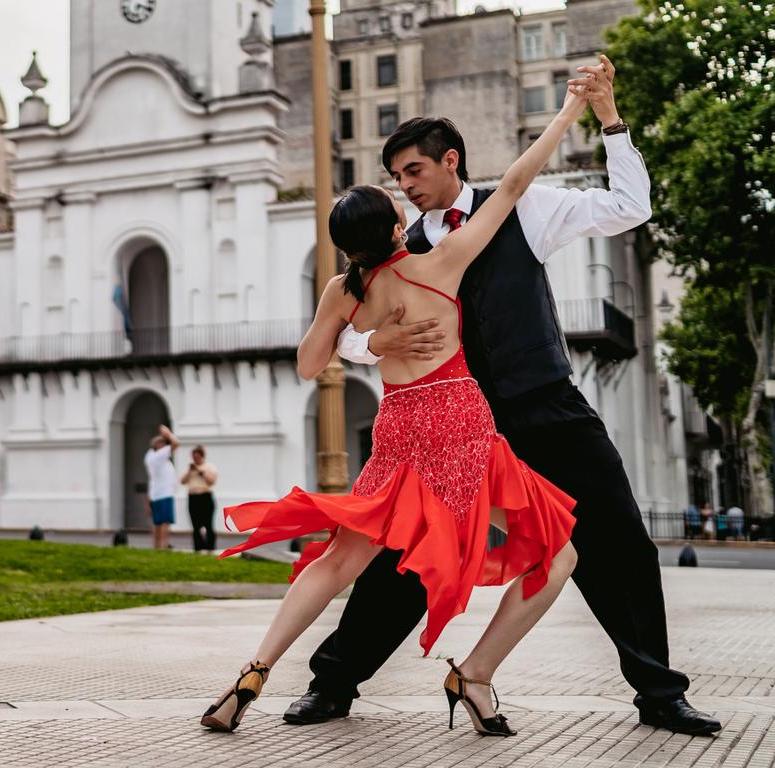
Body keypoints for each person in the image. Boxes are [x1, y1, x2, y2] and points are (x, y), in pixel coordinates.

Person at [283, 55, 720, 737]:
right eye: (396, 179)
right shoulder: (402, 246)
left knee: (617, 542)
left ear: (449, 160)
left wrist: (608, 117)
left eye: (413, 173)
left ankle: (661, 696)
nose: (405, 188)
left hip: (547, 404)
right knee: (406, 559)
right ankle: (333, 684)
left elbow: (632, 207)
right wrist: (376, 348)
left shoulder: (526, 206)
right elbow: (341, 331)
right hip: (458, 422)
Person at [201, 81, 587, 735]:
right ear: (395, 227)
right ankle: (476, 673)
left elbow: (305, 364)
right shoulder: (440, 264)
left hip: (399, 432)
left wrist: (368, 335)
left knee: (338, 563)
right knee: (558, 557)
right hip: (461, 431)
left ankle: (254, 672)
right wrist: (572, 108)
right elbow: (516, 184)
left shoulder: (341, 289)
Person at [144, 425, 179, 550]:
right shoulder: (159, 455)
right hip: (164, 494)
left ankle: (156, 547)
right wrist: (168, 433)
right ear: (157, 445)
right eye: (163, 443)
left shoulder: (150, 455)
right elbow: (176, 443)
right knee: (164, 522)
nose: (165, 445)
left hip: (156, 494)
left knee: (157, 522)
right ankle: (163, 547)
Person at [181, 445, 218, 552]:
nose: (195, 459)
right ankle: (198, 547)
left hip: (205, 497)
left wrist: (200, 471)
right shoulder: (190, 469)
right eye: (194, 457)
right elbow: (183, 481)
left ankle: (210, 548)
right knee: (195, 525)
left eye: (197, 457)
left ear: (202, 456)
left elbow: (211, 481)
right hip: (193, 498)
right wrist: (190, 471)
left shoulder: (209, 467)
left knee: (208, 524)